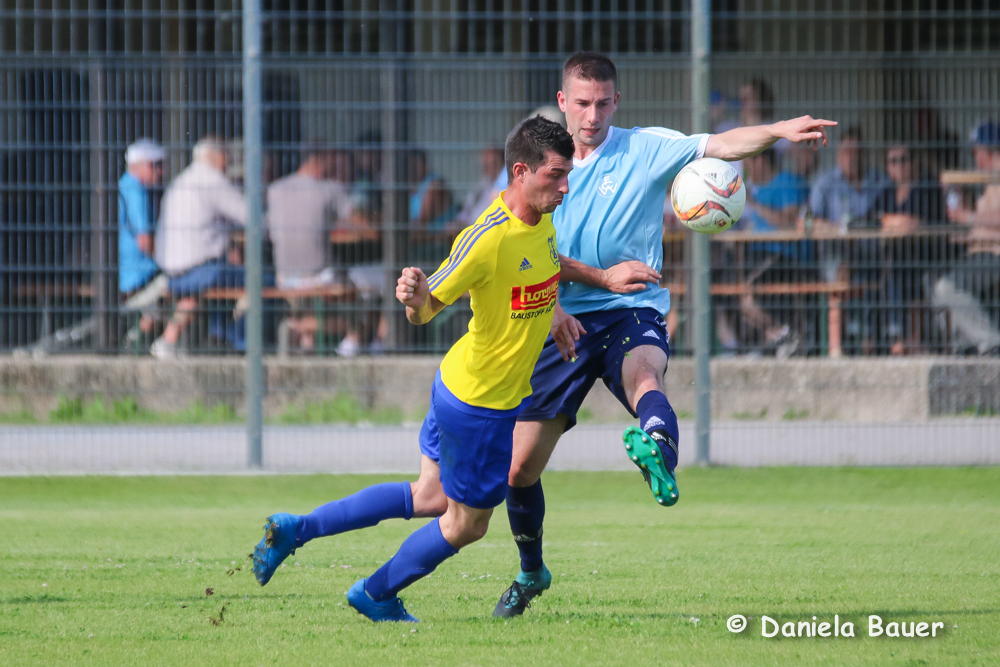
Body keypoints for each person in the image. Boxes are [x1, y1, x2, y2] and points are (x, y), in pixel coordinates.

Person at [492, 52, 835, 617]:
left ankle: (660, 450)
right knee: (519, 469)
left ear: (617, 101)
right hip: (562, 317)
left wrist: (778, 130)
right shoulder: (541, 163)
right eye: (582, 102)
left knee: (645, 374)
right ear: (562, 101)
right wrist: (549, 305)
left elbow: (720, 145)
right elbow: (516, 246)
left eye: (604, 102)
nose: (593, 114)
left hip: (632, 304)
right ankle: (532, 572)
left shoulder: (646, 147)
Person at [249, 117, 578, 623]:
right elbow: (426, 308)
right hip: (480, 406)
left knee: (427, 496)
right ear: (521, 171)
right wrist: (414, 296)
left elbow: (538, 269)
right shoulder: (485, 237)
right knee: (467, 525)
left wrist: (552, 312)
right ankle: (375, 594)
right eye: (556, 174)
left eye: (567, 172)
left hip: (462, 388)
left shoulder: (542, 219)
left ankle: (297, 528)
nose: (565, 184)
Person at [151, 136, 250, 359]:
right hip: (199, 269)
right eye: (226, 156)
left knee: (225, 275)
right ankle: (237, 339)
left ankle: (217, 337)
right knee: (260, 280)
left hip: (171, 269)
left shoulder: (181, 180)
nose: (228, 162)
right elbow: (249, 216)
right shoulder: (212, 180)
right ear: (216, 156)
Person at [267, 147, 355, 351]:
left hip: (284, 277)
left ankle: (306, 340)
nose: (332, 169)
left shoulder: (275, 189)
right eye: (329, 164)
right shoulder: (330, 189)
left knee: (309, 303)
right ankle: (347, 338)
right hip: (319, 277)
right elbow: (356, 220)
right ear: (317, 160)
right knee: (354, 296)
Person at [935, 121, 1000, 354]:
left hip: (994, 255)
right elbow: (978, 222)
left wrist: (967, 216)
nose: (975, 158)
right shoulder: (987, 181)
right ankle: (967, 346)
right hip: (980, 252)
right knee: (932, 285)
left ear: (986, 151)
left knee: (947, 287)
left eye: (976, 152)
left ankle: (991, 343)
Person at [118, 139, 165, 345]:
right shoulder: (136, 190)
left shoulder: (123, 185)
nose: (160, 172)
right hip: (138, 272)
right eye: (155, 165)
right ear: (139, 165)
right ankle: (133, 342)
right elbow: (144, 240)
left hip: (123, 269)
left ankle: (135, 337)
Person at [809, 127, 887, 232]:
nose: (851, 158)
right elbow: (807, 223)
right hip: (836, 245)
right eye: (847, 152)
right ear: (838, 154)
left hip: (871, 246)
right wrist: (842, 229)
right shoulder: (825, 183)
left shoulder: (879, 180)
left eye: (856, 152)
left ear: (864, 154)